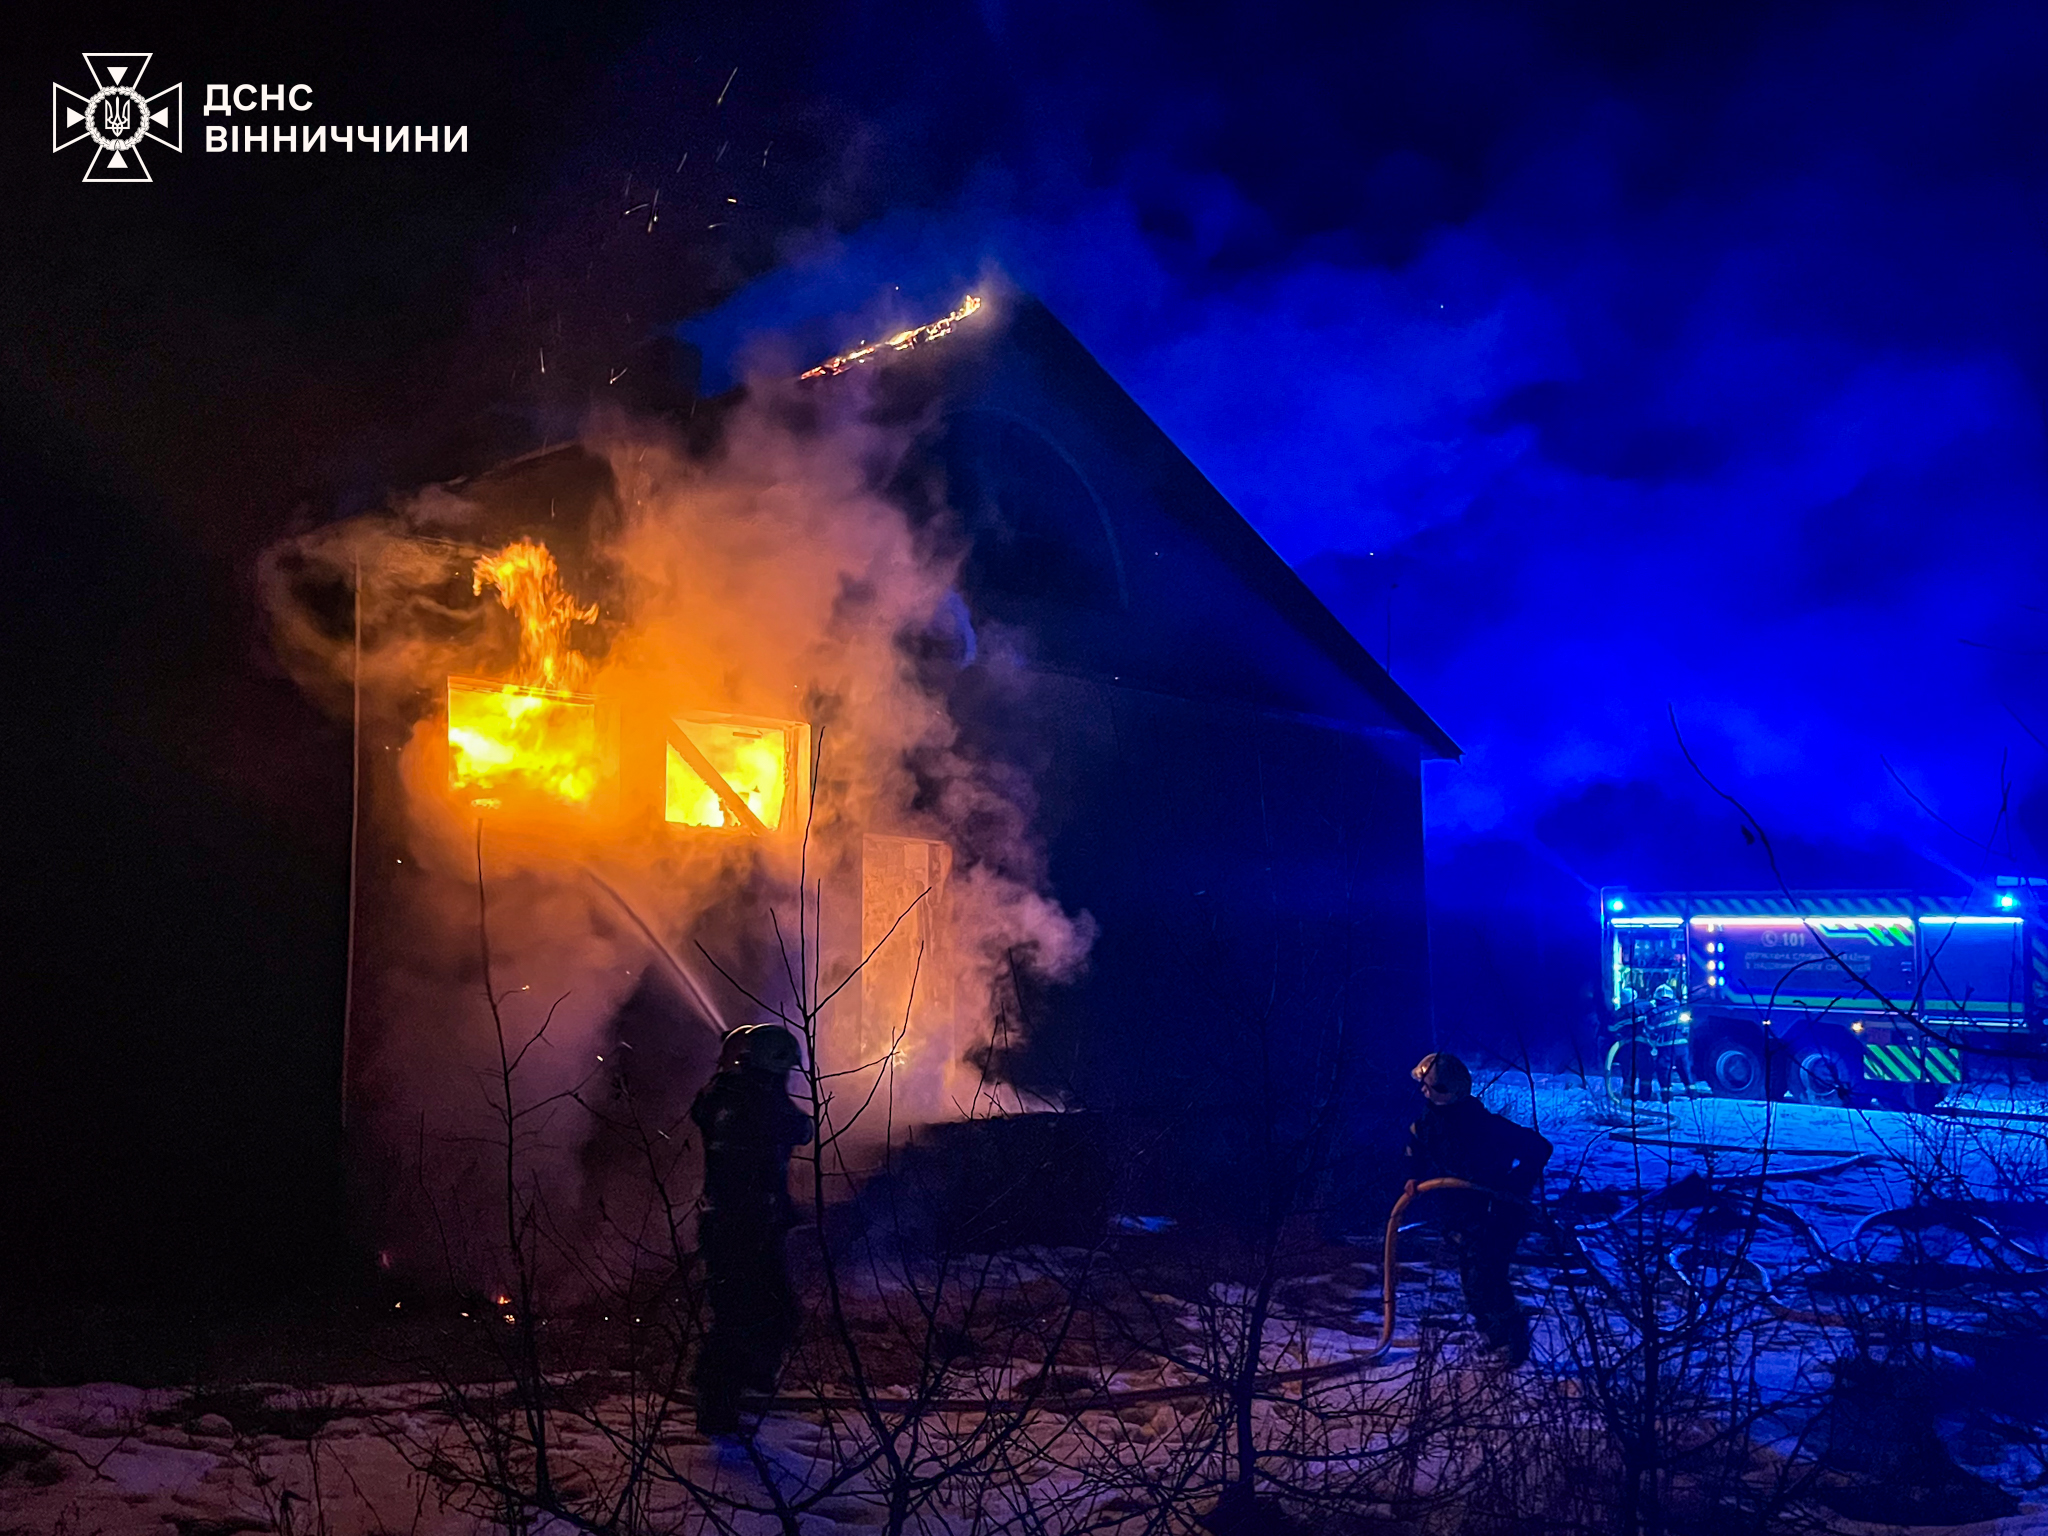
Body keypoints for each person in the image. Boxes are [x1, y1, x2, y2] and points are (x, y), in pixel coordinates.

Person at [690, 1023, 814, 1435]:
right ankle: (717, 1404)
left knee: (758, 1311)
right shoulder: (761, 1101)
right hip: (746, 1226)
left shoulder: (722, 1094)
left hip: (729, 1222)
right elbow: (801, 1129)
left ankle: (741, 1382)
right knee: (748, 1316)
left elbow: (706, 1108)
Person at [1403, 1051, 1553, 1366]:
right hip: (1460, 1216)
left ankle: (1512, 1341)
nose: (1425, 1093)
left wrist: (1514, 1185)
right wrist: (1413, 1178)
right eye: (1424, 1086)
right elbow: (1417, 1152)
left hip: (1497, 1214)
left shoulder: (1486, 1127)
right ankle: (1495, 1338)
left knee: (1487, 1279)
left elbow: (1539, 1148)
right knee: (1473, 1284)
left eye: (1432, 1087)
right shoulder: (1427, 1127)